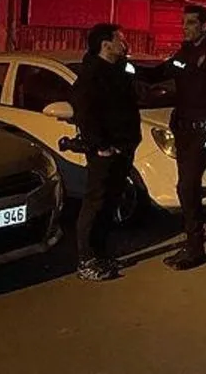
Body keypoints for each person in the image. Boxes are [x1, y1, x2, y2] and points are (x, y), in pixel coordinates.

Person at [142, 4, 206, 271]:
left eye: (191, 23)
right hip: (183, 130)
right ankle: (192, 242)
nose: (185, 28)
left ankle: (195, 248)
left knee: (187, 187)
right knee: (186, 187)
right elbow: (158, 73)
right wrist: (123, 67)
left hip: (200, 132)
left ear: (205, 25)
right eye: (183, 23)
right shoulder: (184, 53)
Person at [70, 23, 142, 282]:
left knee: (111, 202)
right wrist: (100, 146)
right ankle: (86, 259)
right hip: (105, 151)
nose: (124, 43)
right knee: (96, 202)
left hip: (124, 147)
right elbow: (85, 113)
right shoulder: (92, 75)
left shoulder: (119, 70)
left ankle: (101, 253)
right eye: (120, 39)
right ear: (106, 44)